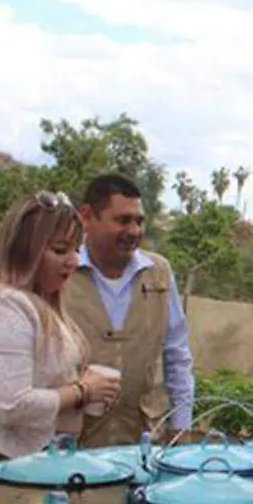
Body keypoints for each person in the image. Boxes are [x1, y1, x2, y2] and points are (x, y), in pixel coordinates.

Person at [0, 192, 121, 504]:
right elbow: (11, 405)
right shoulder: (5, 305)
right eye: (60, 250)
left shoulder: (45, 304)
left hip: (34, 469)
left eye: (77, 249)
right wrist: (82, 391)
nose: (75, 260)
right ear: (26, 251)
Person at [64, 174, 195, 448]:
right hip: (70, 446)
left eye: (139, 221)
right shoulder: (61, 271)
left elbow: (177, 357)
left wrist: (181, 428)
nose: (134, 231)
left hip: (143, 443)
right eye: (123, 220)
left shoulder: (158, 274)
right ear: (87, 217)